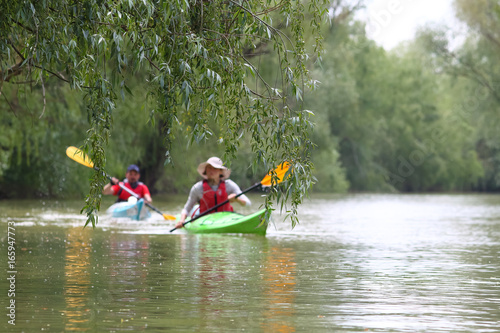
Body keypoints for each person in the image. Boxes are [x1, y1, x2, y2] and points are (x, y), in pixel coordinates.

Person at [175, 157, 250, 229]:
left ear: (221, 171)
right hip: (204, 220)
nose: (211, 171)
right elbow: (187, 208)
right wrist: (182, 221)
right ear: (205, 170)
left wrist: (237, 200)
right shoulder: (197, 188)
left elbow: (248, 204)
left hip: (226, 218)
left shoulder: (229, 185)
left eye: (215, 168)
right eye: (209, 168)